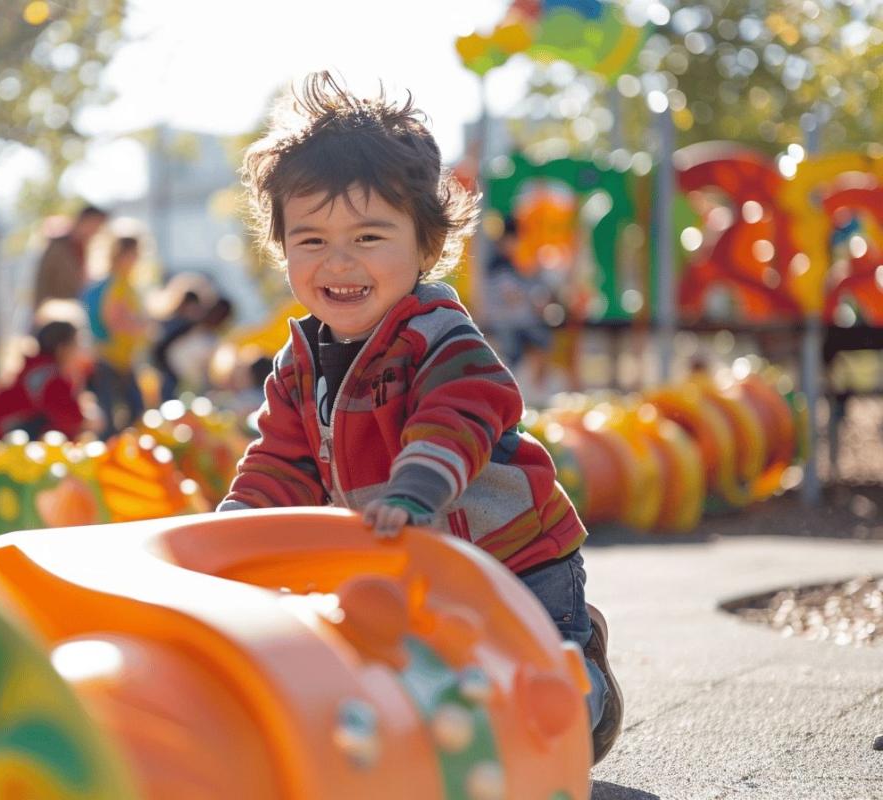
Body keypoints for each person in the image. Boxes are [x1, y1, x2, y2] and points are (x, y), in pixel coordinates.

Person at [216, 72, 623, 764]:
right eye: (310, 241)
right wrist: (233, 531)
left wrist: (417, 487)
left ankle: (585, 678)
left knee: (535, 717)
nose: (338, 262)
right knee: (437, 708)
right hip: (414, 564)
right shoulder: (297, 365)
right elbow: (280, 463)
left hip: (514, 565)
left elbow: (459, 415)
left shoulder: (440, 336)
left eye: (369, 237)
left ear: (426, 246)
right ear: (282, 247)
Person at [0, 320, 85, 444]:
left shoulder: (37, 370)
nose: (80, 351)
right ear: (62, 348)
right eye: (76, 345)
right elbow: (74, 422)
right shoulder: (51, 378)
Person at [83, 235, 149, 438]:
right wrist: (141, 326)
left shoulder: (122, 283)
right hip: (108, 358)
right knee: (115, 417)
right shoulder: (116, 284)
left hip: (121, 359)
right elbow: (113, 320)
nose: (136, 259)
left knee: (132, 413)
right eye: (133, 254)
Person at [486, 215, 552, 401]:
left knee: (541, 342)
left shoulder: (515, 264)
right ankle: (515, 395)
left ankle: (536, 391)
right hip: (507, 324)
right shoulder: (497, 266)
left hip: (519, 322)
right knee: (513, 356)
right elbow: (512, 296)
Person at [32, 205, 109, 310]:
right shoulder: (59, 247)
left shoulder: (82, 248)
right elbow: (46, 285)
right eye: (96, 226)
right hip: (54, 315)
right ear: (86, 221)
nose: (96, 232)